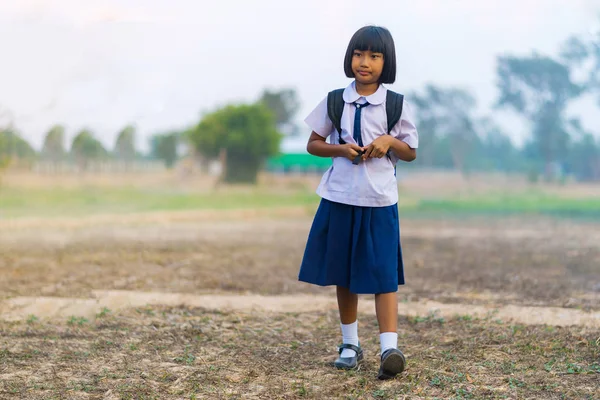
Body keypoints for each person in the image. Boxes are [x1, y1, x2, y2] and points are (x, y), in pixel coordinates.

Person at [298, 25, 419, 380]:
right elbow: (313, 143)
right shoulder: (336, 100)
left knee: (384, 276)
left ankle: (388, 348)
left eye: (374, 56)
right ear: (350, 58)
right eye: (358, 54)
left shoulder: (395, 104)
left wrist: (388, 142)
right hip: (340, 198)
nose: (364, 62)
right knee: (344, 273)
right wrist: (340, 149)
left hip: (380, 201)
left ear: (386, 62)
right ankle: (350, 344)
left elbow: (410, 151)